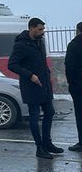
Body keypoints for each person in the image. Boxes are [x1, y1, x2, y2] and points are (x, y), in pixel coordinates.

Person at [8, 17, 64, 159]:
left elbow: (41, 61)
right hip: (31, 86)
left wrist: (47, 74)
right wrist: (30, 75)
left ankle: (47, 143)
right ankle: (39, 148)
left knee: (50, 112)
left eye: (43, 29)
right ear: (31, 28)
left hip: (44, 84)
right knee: (34, 115)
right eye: (40, 29)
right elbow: (12, 64)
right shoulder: (21, 44)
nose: (42, 32)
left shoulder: (40, 41)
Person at [65, 21, 82, 152]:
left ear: (78, 30)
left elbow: (69, 67)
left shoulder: (74, 45)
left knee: (80, 113)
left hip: (78, 86)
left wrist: (71, 84)